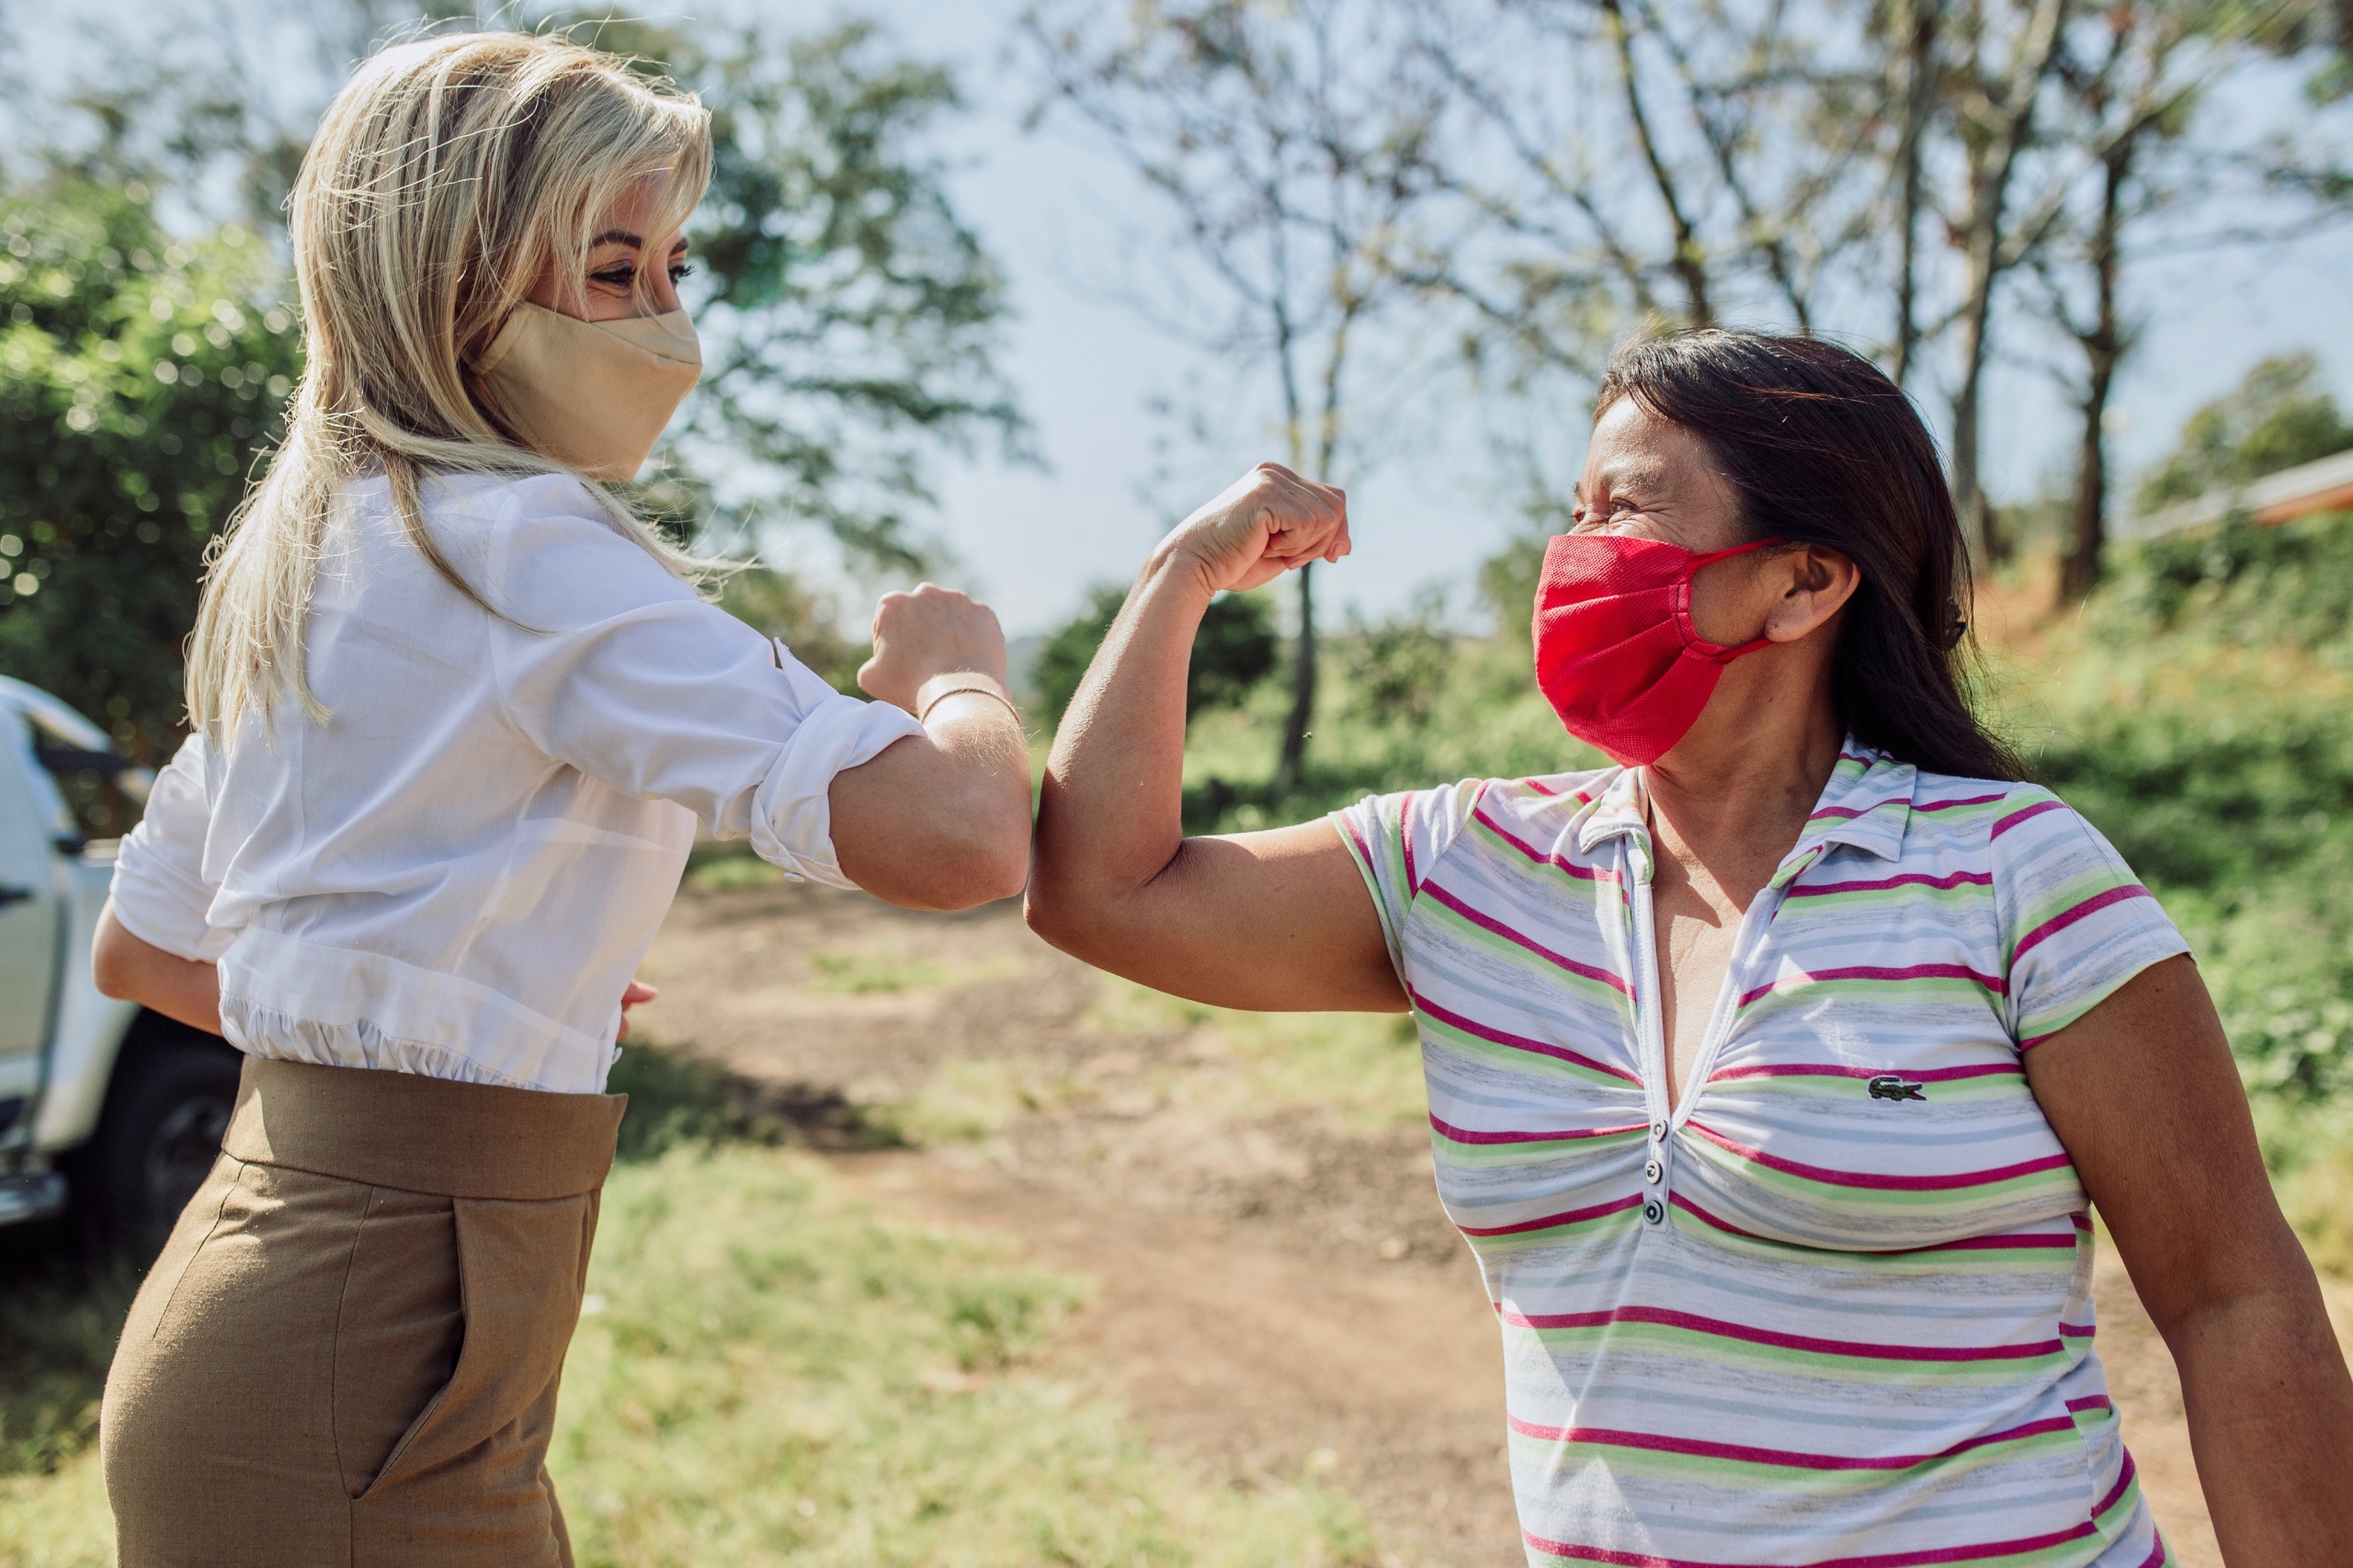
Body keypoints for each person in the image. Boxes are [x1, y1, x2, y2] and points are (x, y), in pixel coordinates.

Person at [1026, 329, 2353, 1565]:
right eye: (1578, 507)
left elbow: (2238, 1301)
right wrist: (1183, 573)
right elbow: (1102, 890)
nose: (1573, 550)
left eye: (1626, 508)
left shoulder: (2015, 871)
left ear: (1805, 579)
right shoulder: (1468, 868)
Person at [87, 32, 1029, 1568]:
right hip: (359, 1397)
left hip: (274, 1345)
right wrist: (958, 679)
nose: (671, 322)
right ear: (455, 283)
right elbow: (965, 832)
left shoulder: (312, 555)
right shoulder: (516, 549)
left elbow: (146, 950)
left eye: (674, 265)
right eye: (612, 269)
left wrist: (480, 1003)